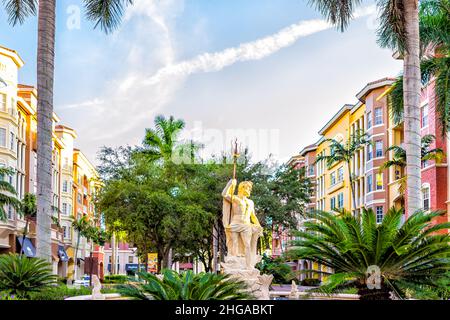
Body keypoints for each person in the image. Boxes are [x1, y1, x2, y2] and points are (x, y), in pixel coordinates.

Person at [222, 179, 263, 269]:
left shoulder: (250, 202)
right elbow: (224, 194)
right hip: (235, 224)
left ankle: (249, 266)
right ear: (242, 188)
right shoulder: (235, 198)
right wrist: (230, 184)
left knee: (247, 245)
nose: (249, 191)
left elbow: (253, 216)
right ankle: (235, 267)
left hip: (246, 225)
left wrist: (259, 226)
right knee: (234, 244)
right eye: (248, 188)